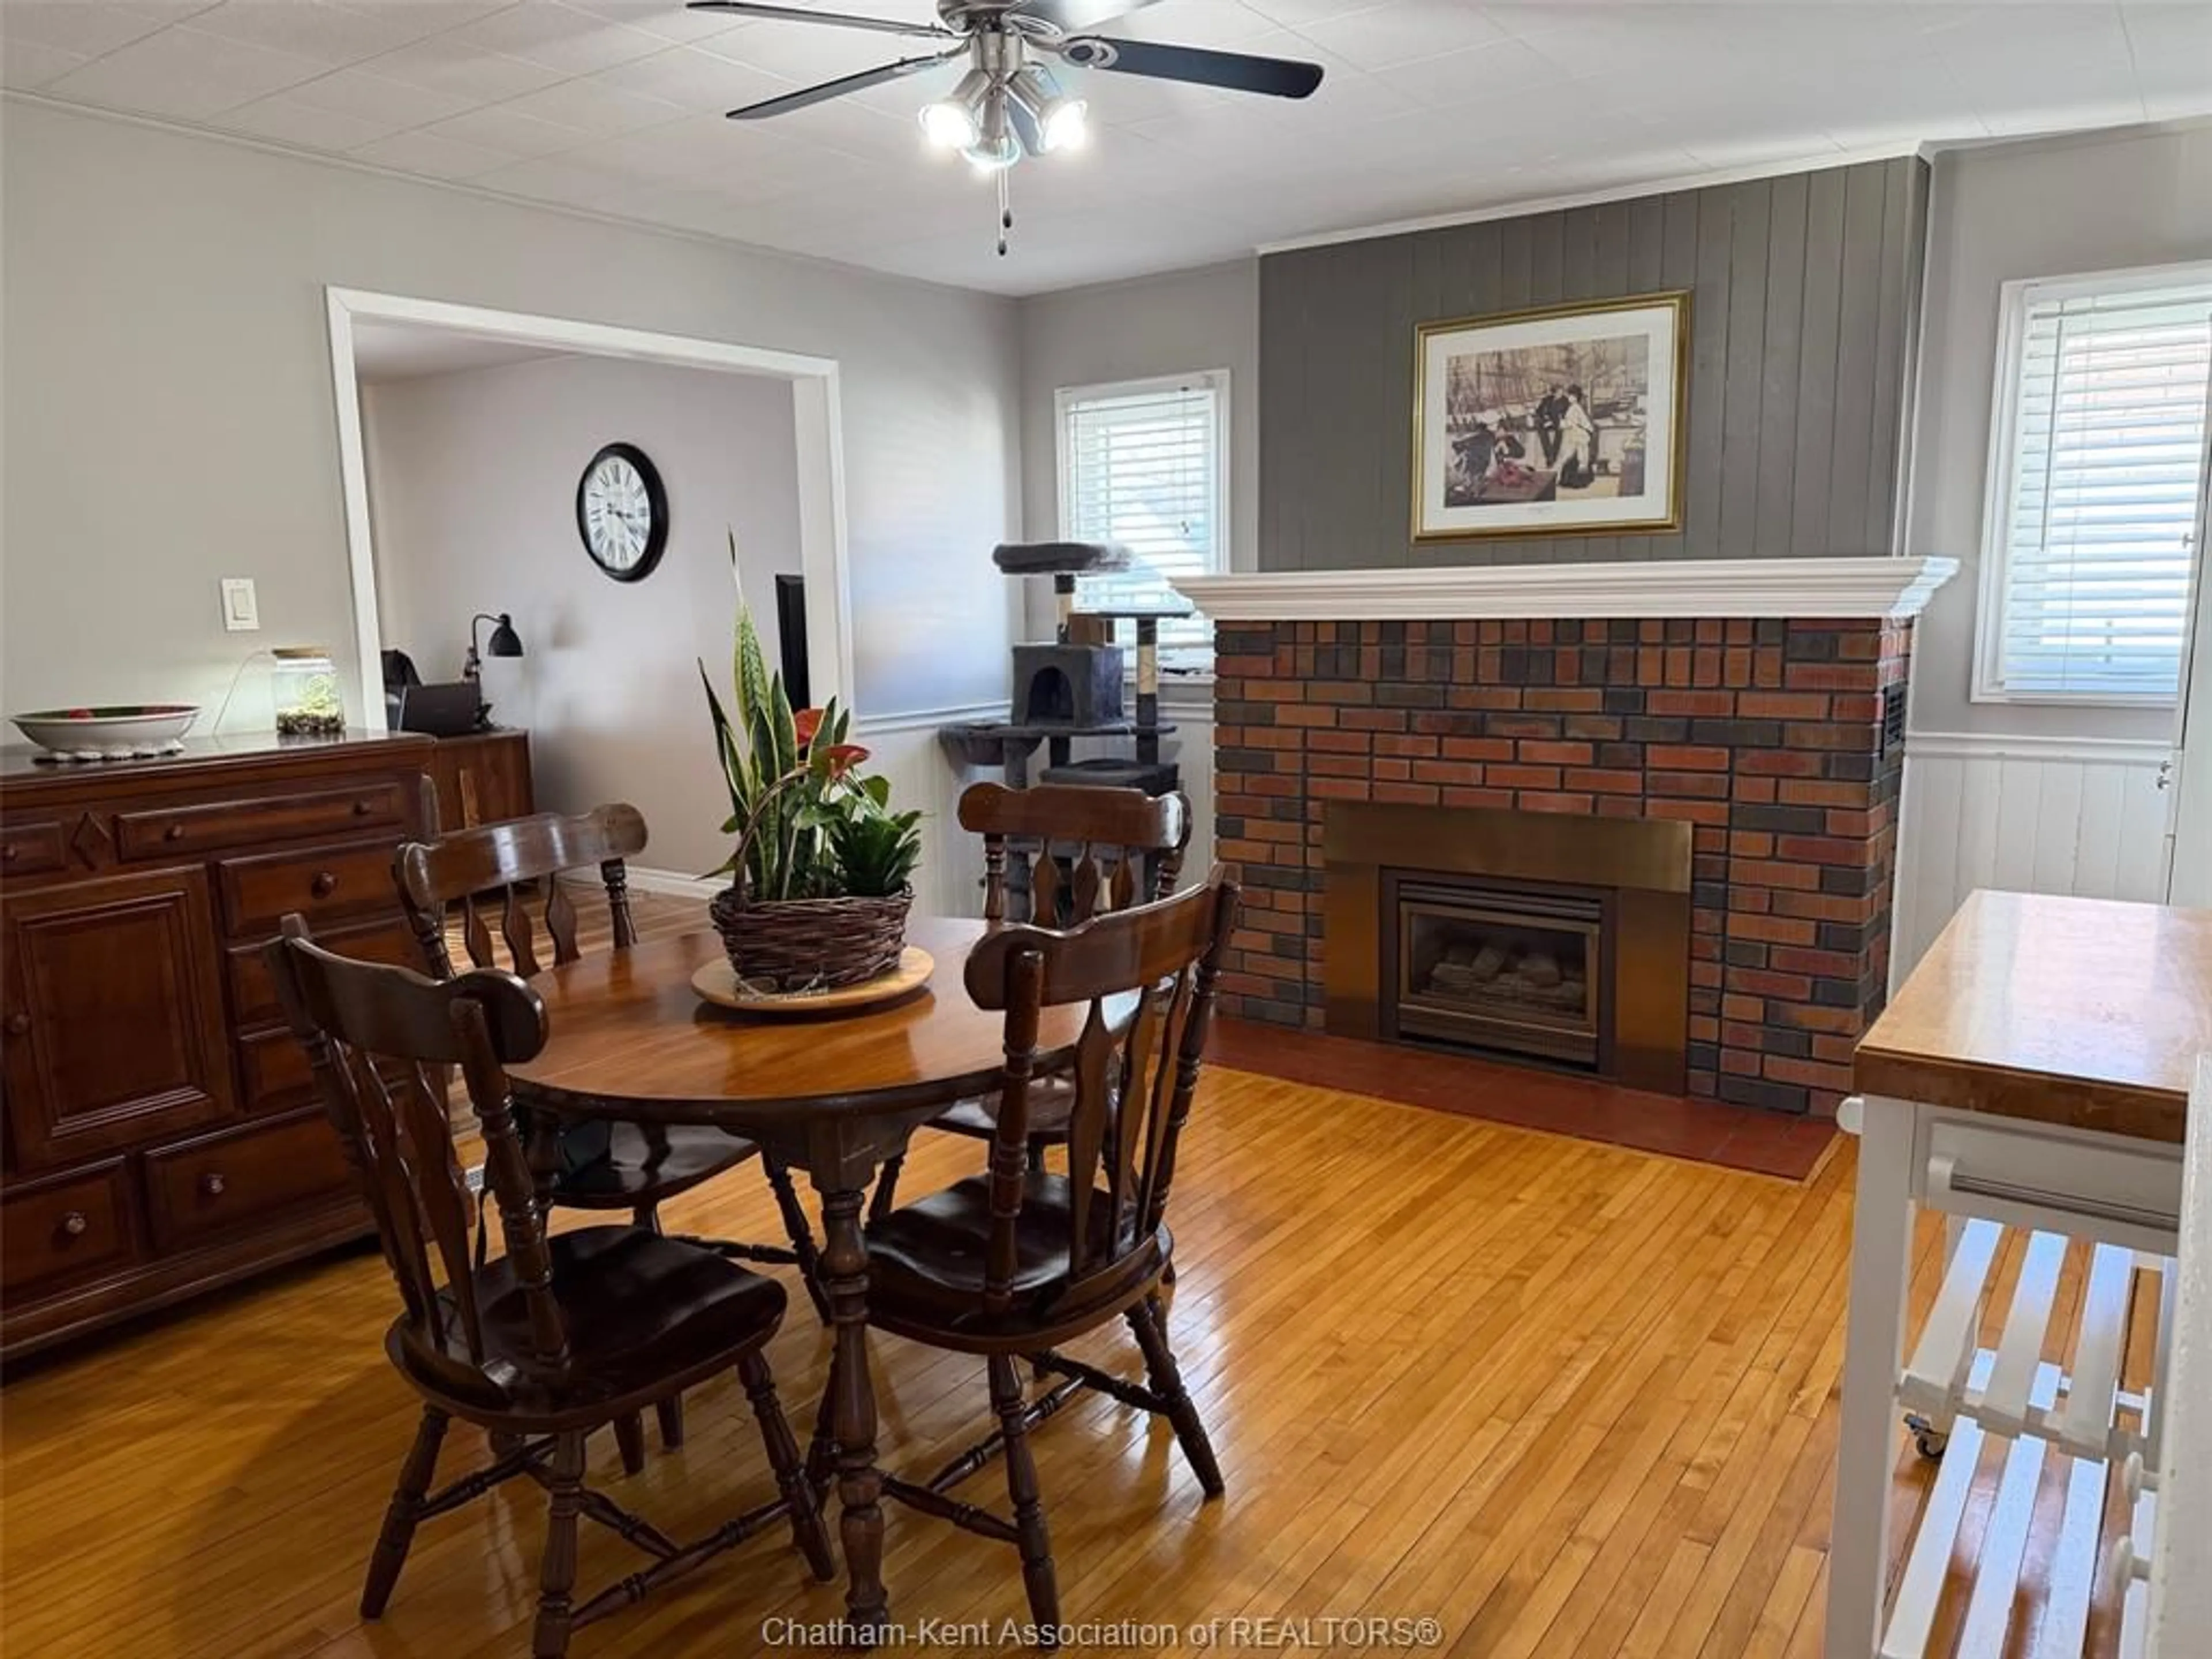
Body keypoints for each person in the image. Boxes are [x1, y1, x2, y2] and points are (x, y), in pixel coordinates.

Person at [1556, 384, 1595, 490]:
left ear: (1576, 396)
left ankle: (1572, 481)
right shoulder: (1575, 408)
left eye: (1571, 396)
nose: (1570, 398)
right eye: (1569, 395)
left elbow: (1571, 423)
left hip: (1576, 435)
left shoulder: (1575, 408)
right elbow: (1585, 423)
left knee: (1569, 457)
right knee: (1575, 457)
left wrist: (1560, 423)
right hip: (1575, 435)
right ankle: (1573, 481)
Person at [1534, 385, 1565, 467]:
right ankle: (1548, 454)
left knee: (1560, 432)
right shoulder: (1547, 400)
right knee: (1541, 430)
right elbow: (1539, 412)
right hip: (1548, 422)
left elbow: (1566, 414)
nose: (1560, 394)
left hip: (1559, 423)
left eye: (1561, 392)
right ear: (1554, 393)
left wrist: (1558, 420)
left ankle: (1553, 456)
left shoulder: (1565, 401)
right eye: (1558, 392)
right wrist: (1546, 419)